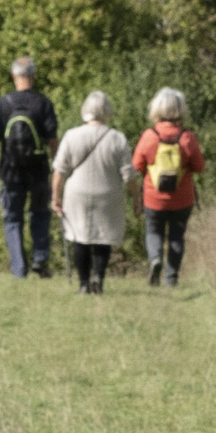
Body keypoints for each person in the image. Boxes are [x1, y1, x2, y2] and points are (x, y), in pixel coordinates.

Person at [0, 56, 61, 282]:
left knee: (13, 219)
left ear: (13, 75)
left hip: (11, 170)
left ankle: (18, 269)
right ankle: (40, 258)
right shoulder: (43, 103)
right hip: (38, 169)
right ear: (33, 76)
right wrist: (58, 166)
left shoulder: (2, 104)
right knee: (40, 213)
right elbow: (52, 140)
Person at [52, 89, 136, 297]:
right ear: (107, 111)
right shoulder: (117, 138)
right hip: (109, 193)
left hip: (77, 193)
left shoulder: (72, 135)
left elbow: (59, 170)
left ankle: (83, 283)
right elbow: (129, 174)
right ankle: (98, 276)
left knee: (80, 237)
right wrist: (137, 199)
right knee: (103, 236)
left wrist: (56, 196)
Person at [133, 89, 204, 287]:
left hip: (153, 198)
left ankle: (155, 259)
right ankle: (171, 278)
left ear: (156, 109)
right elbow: (200, 167)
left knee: (153, 231)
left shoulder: (149, 136)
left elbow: (136, 166)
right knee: (176, 237)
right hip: (182, 199)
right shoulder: (187, 137)